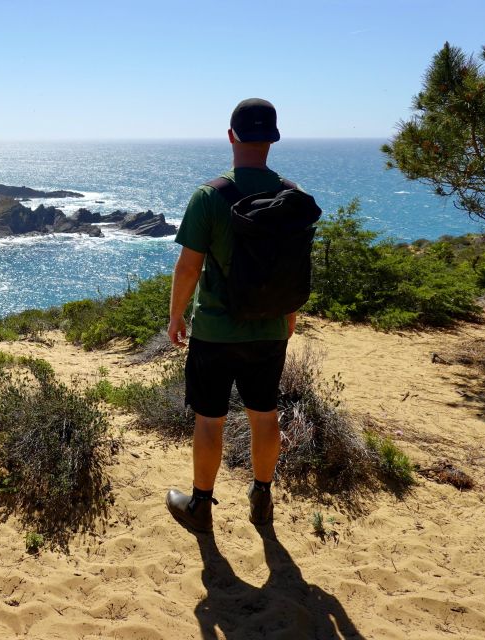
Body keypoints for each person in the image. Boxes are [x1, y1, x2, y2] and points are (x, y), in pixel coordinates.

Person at [165, 98, 303, 532]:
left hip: (216, 330)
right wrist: (289, 315)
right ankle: (262, 498)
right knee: (265, 415)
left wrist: (175, 316)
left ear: (231, 136)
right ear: (273, 139)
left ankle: (200, 506)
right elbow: (296, 266)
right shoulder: (292, 197)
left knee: (210, 419)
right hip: (270, 327)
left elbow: (189, 266)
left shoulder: (210, 196)